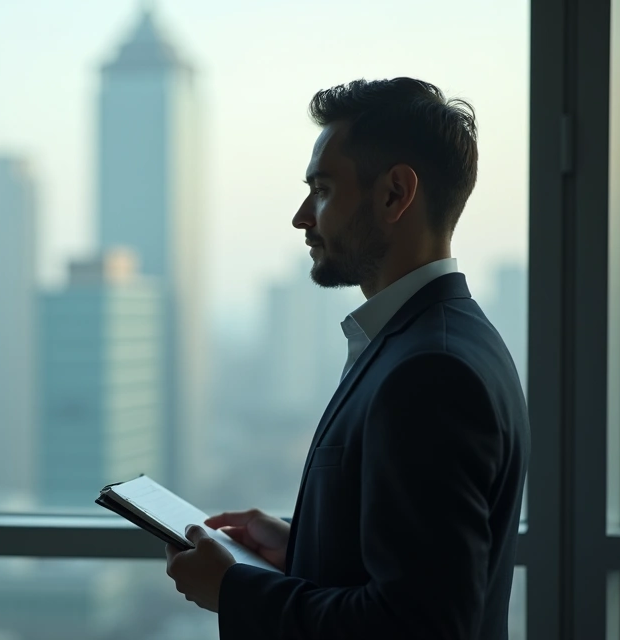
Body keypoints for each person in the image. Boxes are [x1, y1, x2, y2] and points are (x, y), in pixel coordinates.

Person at [164, 77, 530, 639]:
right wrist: (303, 544)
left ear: (394, 194)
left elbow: (419, 627)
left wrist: (236, 590)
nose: (302, 216)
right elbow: (418, 576)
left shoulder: (430, 372)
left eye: (324, 189)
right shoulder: (439, 339)